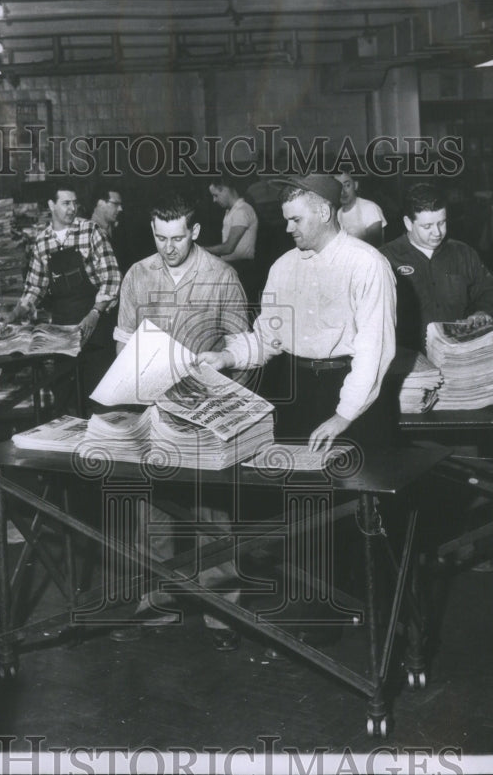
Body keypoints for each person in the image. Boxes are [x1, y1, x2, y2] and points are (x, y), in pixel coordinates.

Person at [199, 173, 396, 652]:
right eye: (285, 219)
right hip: (299, 389)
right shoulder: (285, 266)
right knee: (303, 514)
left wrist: (344, 415)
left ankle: (378, 624)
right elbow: (269, 336)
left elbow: (374, 350)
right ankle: (312, 622)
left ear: (325, 213)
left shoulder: (367, 264)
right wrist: (226, 356)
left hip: (354, 396)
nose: (286, 228)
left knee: (360, 516)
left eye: (295, 219)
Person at [111, 195, 251, 651]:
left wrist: (218, 382)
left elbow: (241, 348)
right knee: (153, 507)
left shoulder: (221, 276)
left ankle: (222, 609)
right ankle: (158, 601)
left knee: (213, 511)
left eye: (177, 238)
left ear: (193, 232)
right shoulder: (137, 275)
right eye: (159, 238)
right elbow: (123, 343)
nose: (168, 248)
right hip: (154, 408)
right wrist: (132, 386)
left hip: (205, 410)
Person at [8, 182, 122, 407]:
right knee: (65, 397)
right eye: (66, 203)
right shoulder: (42, 242)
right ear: (51, 205)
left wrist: (96, 312)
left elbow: (112, 278)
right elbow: (35, 286)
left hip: (94, 327)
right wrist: (19, 310)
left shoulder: (91, 231)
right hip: (62, 330)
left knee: (99, 399)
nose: (72, 208)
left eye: (75, 203)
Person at [381, 182, 493, 352]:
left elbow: (492, 290)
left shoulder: (463, 253)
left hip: (457, 352)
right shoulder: (385, 258)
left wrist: (483, 311)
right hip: (408, 357)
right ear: (408, 223)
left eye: (441, 223)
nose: (437, 232)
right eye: (427, 226)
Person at [205, 174, 260, 305]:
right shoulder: (231, 211)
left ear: (225, 189)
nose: (214, 200)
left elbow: (229, 247)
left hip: (243, 269)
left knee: (241, 312)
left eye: (216, 195)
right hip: (234, 267)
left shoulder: (242, 210)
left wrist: (201, 250)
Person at [335, 171, 386, 248]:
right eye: (339, 187)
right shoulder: (337, 214)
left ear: (356, 185)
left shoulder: (370, 208)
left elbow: (375, 246)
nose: (343, 192)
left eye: (347, 185)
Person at [89, 185, 130, 272]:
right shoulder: (89, 233)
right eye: (116, 204)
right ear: (101, 203)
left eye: (120, 205)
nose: (120, 209)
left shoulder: (117, 229)